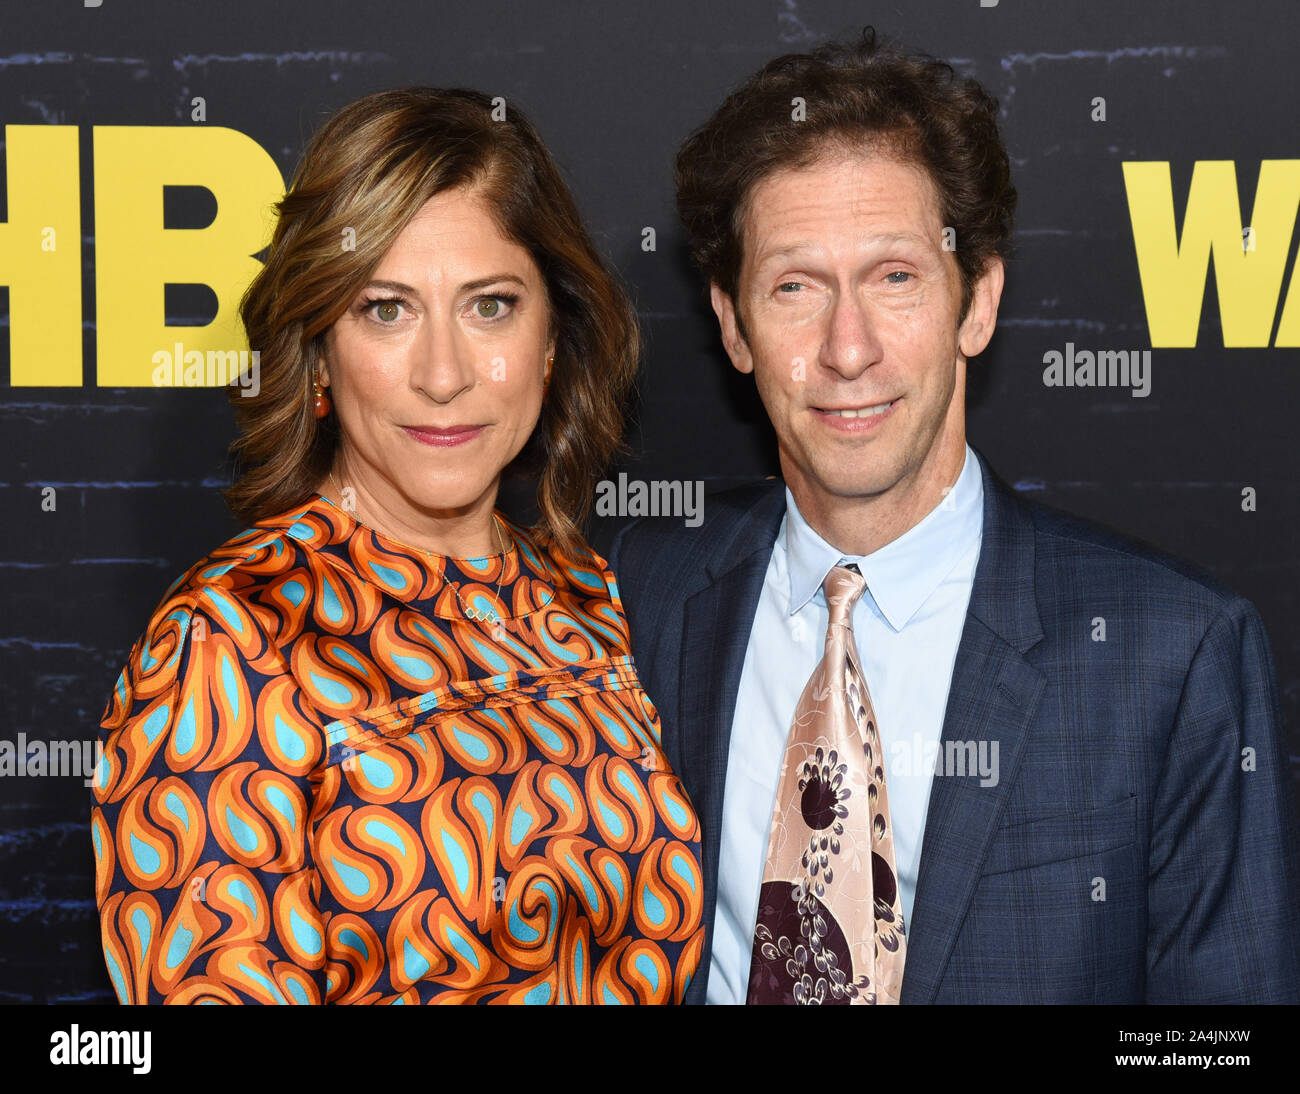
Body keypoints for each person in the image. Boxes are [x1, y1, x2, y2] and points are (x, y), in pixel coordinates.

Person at [609, 28, 1300, 1004]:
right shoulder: (638, 588)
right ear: (731, 324)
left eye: (894, 276)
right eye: (795, 286)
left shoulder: (1171, 650)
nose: (847, 349)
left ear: (975, 301)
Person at [92, 86, 704, 1004]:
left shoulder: (591, 601)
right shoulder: (228, 639)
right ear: (319, 351)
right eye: (386, 310)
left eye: (490, 306)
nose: (444, 375)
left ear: (552, 340)